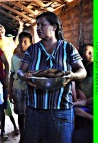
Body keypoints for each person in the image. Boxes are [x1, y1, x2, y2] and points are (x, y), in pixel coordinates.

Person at [17, 11, 87, 143]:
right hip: (34, 110)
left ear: (54, 27)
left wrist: (72, 76)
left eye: (42, 25)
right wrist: (25, 76)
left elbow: (82, 71)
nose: (38, 28)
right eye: (37, 25)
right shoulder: (32, 50)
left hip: (61, 111)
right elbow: (20, 71)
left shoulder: (67, 48)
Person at [9, 32, 32, 143]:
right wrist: (10, 91)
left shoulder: (33, 56)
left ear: (30, 43)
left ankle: (30, 136)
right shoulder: (14, 58)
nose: (22, 44)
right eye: (20, 41)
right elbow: (12, 75)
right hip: (17, 89)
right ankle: (23, 136)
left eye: (25, 42)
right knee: (21, 114)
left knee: (30, 114)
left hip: (30, 89)